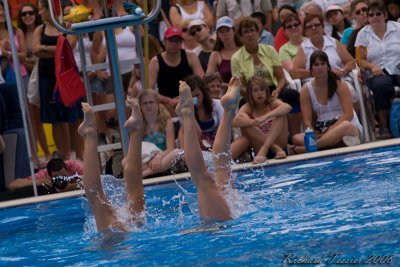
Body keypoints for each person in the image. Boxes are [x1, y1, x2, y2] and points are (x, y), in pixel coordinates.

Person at [176, 76, 243, 221]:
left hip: (222, 221)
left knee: (219, 169)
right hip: (225, 219)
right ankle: (228, 111)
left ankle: (228, 111)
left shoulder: (212, 106)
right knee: (218, 170)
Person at [231, 17, 301, 137]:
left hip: (273, 88)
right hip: (252, 92)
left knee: (292, 94)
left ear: (258, 33)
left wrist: (277, 91)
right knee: (243, 103)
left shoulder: (270, 50)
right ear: (240, 37)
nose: (250, 34)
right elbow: (241, 87)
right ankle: (253, 141)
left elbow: (282, 78)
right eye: (246, 32)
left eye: (252, 30)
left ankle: (294, 135)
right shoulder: (236, 58)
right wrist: (255, 94)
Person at [291, 51, 362, 154]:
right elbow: (307, 120)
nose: (320, 67)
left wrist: (330, 130)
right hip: (321, 128)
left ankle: (313, 147)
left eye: (323, 64)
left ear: (328, 67)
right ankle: (331, 143)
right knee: (296, 139)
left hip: (343, 125)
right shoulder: (306, 90)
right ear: (311, 70)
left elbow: (348, 114)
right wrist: (312, 132)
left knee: (345, 126)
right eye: (316, 65)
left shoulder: (340, 84)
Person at [33, 0, 76, 160]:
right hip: (47, 77)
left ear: (49, 9)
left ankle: (78, 156)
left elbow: (70, 46)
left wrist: (45, 49)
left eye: (41, 9)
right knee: (54, 118)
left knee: (72, 116)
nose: (39, 13)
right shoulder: (40, 29)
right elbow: (35, 49)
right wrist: (59, 50)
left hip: (65, 74)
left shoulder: (66, 25)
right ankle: (65, 158)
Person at [355, 0, 400, 138]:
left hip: (398, 67)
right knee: (382, 85)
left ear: (385, 15)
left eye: (378, 14)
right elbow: (359, 59)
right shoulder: (363, 34)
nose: (375, 17)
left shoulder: (397, 28)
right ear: (368, 18)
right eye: (371, 15)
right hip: (376, 72)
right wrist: (372, 66)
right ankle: (384, 125)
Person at [178, 75, 248, 160]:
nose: (195, 99)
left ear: (203, 93)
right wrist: (190, 112)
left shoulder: (217, 104)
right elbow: (197, 135)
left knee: (243, 141)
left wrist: (215, 146)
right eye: (191, 97)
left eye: (197, 95)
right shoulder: (185, 111)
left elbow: (225, 129)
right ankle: (217, 160)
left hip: (219, 143)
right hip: (199, 147)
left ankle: (218, 159)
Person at [17, 3, 51, 163]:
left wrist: (35, 58)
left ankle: (50, 153)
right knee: (34, 119)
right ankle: (42, 154)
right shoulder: (20, 33)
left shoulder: (42, 30)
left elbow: (26, 58)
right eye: (24, 14)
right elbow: (23, 59)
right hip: (29, 78)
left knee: (51, 115)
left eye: (30, 13)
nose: (28, 16)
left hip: (43, 75)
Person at [233, 76, 291, 164]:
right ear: (250, 93)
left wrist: (265, 117)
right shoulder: (248, 107)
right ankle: (272, 147)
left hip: (279, 144)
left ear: (266, 91)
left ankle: (266, 148)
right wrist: (253, 122)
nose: (259, 93)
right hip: (260, 147)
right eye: (255, 91)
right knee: (245, 122)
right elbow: (235, 121)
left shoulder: (272, 102)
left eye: (262, 89)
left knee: (280, 114)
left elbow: (287, 107)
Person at [148, 26, 204, 116]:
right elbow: (149, 91)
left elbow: (202, 81)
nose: (174, 44)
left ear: (181, 42)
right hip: (167, 104)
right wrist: (168, 101)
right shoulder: (155, 62)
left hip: (190, 100)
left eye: (177, 41)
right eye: (171, 40)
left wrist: (189, 97)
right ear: (164, 41)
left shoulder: (191, 56)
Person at [138, 89, 181, 178]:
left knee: (176, 153)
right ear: (140, 106)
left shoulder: (167, 121)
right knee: (125, 161)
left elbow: (170, 148)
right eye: (145, 103)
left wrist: (158, 156)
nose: (148, 105)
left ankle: (145, 174)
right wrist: (151, 159)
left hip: (163, 157)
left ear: (157, 104)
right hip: (146, 159)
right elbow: (136, 149)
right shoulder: (138, 124)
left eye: (151, 102)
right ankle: (155, 169)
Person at [206, 16, 241, 91]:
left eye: (227, 30)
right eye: (221, 31)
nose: (225, 34)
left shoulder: (244, 50)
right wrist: (230, 86)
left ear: (234, 31)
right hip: (225, 95)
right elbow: (208, 79)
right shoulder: (215, 55)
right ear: (218, 35)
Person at [8, 157, 83, 192]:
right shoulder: (44, 174)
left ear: (67, 171)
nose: (61, 180)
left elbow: (93, 181)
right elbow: (12, 185)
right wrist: (37, 181)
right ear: (50, 176)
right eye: (57, 178)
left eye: (64, 176)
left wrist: (71, 186)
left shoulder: (75, 167)